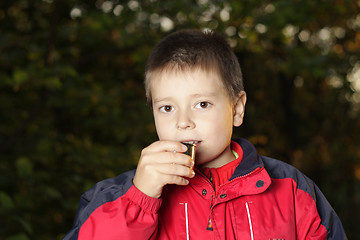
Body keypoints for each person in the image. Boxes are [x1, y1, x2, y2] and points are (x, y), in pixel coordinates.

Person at [63, 29, 347, 240]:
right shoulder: (119, 197)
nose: (183, 122)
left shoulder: (292, 190)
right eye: (167, 107)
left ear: (237, 109)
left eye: (202, 104)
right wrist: (140, 200)